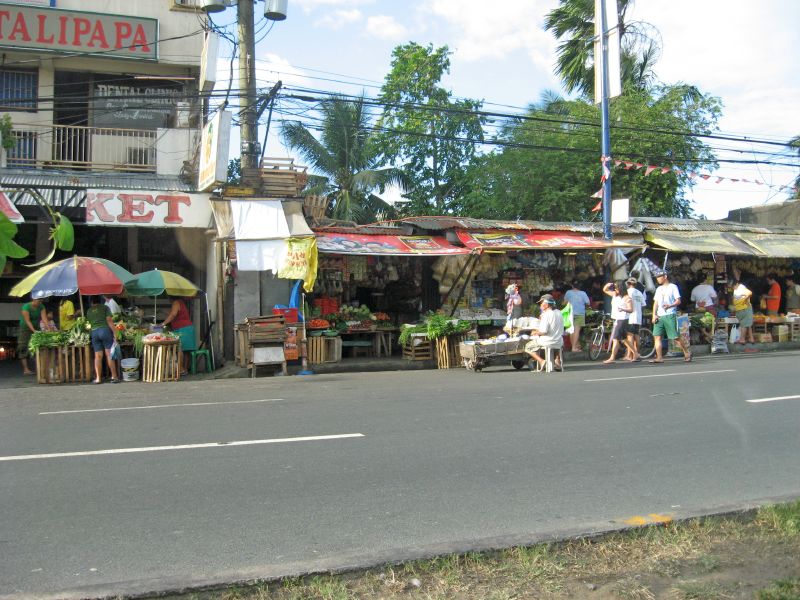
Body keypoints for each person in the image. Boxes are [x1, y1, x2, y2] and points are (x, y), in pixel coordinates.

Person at [650, 270, 692, 363]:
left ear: (665, 277)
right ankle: (659, 357)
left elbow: (678, 301)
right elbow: (655, 303)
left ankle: (687, 352)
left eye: (659, 277)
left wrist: (670, 305)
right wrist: (654, 314)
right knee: (657, 336)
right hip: (660, 316)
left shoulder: (673, 287)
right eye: (656, 277)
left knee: (675, 337)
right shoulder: (658, 289)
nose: (657, 279)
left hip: (670, 314)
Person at [524, 294, 564, 371]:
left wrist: (535, 332)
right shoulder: (559, 312)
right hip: (559, 341)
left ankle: (541, 361)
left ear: (546, 304)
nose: (541, 305)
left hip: (548, 341)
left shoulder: (547, 314)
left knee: (527, 347)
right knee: (558, 343)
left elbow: (543, 331)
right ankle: (557, 361)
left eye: (541, 303)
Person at [86, 296, 119, 384]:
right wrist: (115, 333)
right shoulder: (105, 307)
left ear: (92, 302)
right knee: (109, 354)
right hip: (105, 331)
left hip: (94, 332)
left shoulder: (89, 311)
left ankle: (98, 378)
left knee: (98, 356)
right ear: (100, 302)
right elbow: (109, 321)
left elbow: (88, 324)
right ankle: (114, 377)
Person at [162, 296, 196, 376]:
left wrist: (162, 324)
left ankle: (181, 369)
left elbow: (173, 315)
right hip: (187, 328)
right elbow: (174, 314)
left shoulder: (176, 302)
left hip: (183, 329)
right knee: (186, 350)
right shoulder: (181, 302)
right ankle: (184, 369)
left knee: (181, 349)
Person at [601, 281, 633, 364]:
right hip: (617, 319)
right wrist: (609, 284)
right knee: (624, 339)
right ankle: (636, 353)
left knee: (615, 339)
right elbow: (605, 290)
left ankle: (612, 357)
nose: (615, 289)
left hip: (622, 319)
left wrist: (623, 309)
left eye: (617, 287)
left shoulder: (627, 297)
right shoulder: (615, 295)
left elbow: (631, 309)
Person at [18, 297, 43, 375]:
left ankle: (40, 368)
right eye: (38, 301)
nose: (40, 303)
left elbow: (44, 318)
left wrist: (49, 328)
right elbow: (27, 321)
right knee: (23, 346)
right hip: (25, 328)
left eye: (41, 301)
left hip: (36, 327)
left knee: (39, 346)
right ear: (33, 300)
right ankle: (26, 369)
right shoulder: (26, 307)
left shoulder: (41, 306)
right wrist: (34, 331)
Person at [564, 280, 591, 352]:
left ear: (572, 286)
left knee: (571, 330)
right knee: (576, 330)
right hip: (580, 313)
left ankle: (574, 347)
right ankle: (574, 347)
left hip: (570, 313)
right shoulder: (583, 293)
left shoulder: (568, 292)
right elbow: (588, 303)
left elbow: (564, 303)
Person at [730, 277, 757, 350]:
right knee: (746, 323)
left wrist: (744, 300)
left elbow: (749, 293)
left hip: (744, 309)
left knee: (744, 324)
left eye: (733, 286)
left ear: (736, 284)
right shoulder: (736, 290)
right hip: (742, 309)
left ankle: (742, 339)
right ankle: (750, 338)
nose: (732, 287)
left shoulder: (741, 287)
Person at [625, 278, 646, 361]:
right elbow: (643, 304)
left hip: (630, 316)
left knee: (630, 336)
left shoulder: (628, 292)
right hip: (638, 316)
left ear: (628, 284)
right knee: (636, 335)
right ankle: (637, 352)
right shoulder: (639, 292)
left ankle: (631, 355)